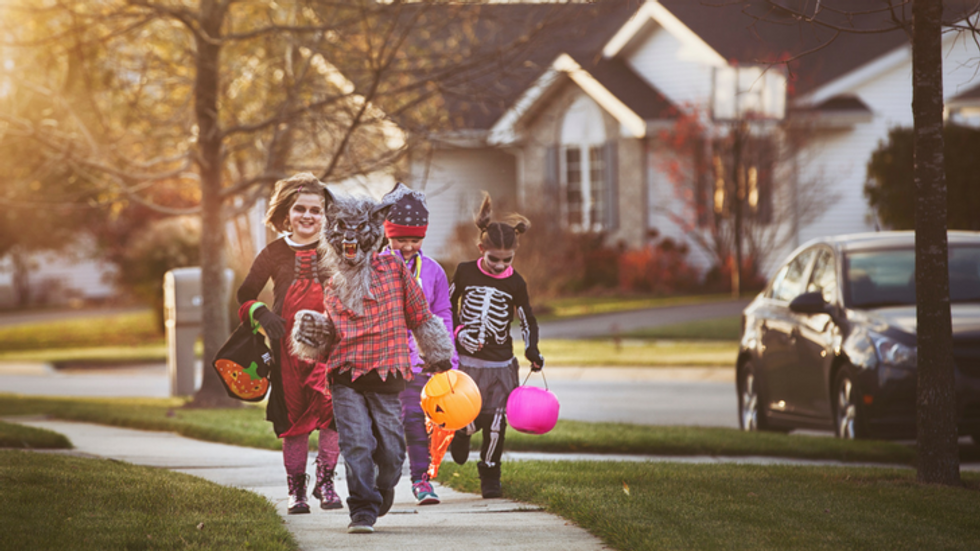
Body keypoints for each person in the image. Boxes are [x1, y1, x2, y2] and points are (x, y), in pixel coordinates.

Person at [289, 182, 455, 534]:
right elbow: (332, 332)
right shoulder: (332, 280)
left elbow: (421, 316)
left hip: (388, 373)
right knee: (357, 443)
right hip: (345, 375)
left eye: (358, 233)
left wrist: (439, 356)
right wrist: (314, 332)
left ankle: (381, 489)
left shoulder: (395, 271)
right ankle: (362, 509)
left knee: (392, 453)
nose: (350, 243)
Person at [237, 172, 341, 514]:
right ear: (287, 214)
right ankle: (296, 489)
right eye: (300, 209)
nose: (308, 216)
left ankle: (326, 482)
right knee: (293, 421)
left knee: (332, 415)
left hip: (330, 347)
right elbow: (244, 294)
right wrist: (261, 314)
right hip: (286, 352)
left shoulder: (336, 249)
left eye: (316, 210)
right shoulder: (273, 253)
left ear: (325, 215)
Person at [448, 192, 544, 498]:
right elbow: (446, 307)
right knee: (468, 416)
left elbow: (526, 318)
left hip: (501, 365)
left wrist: (532, 350)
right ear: (481, 249)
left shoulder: (515, 282)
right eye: (494, 259)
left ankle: (490, 472)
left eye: (507, 260)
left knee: (496, 421)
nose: (500, 265)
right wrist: (458, 332)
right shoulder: (464, 271)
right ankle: (461, 433)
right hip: (467, 364)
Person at [380, 188, 457, 506]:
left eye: (415, 239)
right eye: (401, 239)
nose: (409, 246)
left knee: (415, 420)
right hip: (382, 362)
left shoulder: (434, 272)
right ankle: (380, 481)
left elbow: (442, 315)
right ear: (387, 234)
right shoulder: (377, 265)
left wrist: (446, 355)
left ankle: (421, 480)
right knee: (383, 427)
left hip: (418, 364)